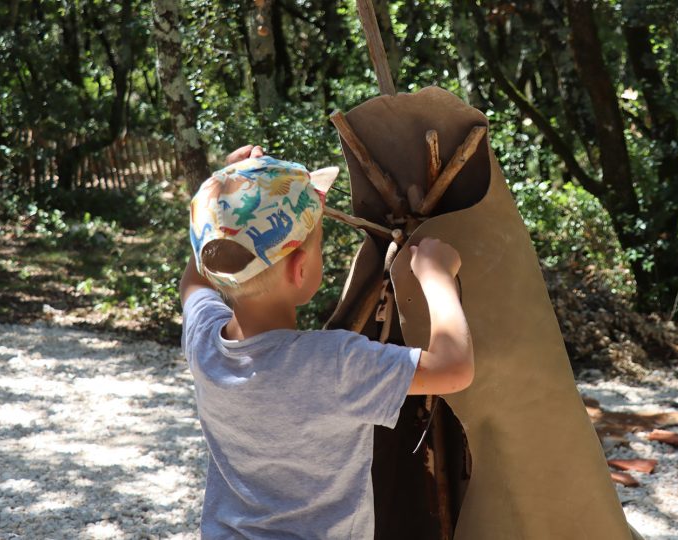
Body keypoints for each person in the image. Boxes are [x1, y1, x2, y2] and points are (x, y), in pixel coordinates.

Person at [180, 144, 474, 539]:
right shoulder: (333, 364)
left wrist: (226, 196)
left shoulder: (204, 341)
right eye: (317, 243)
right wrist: (436, 276)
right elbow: (454, 369)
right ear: (300, 269)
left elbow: (194, 281)